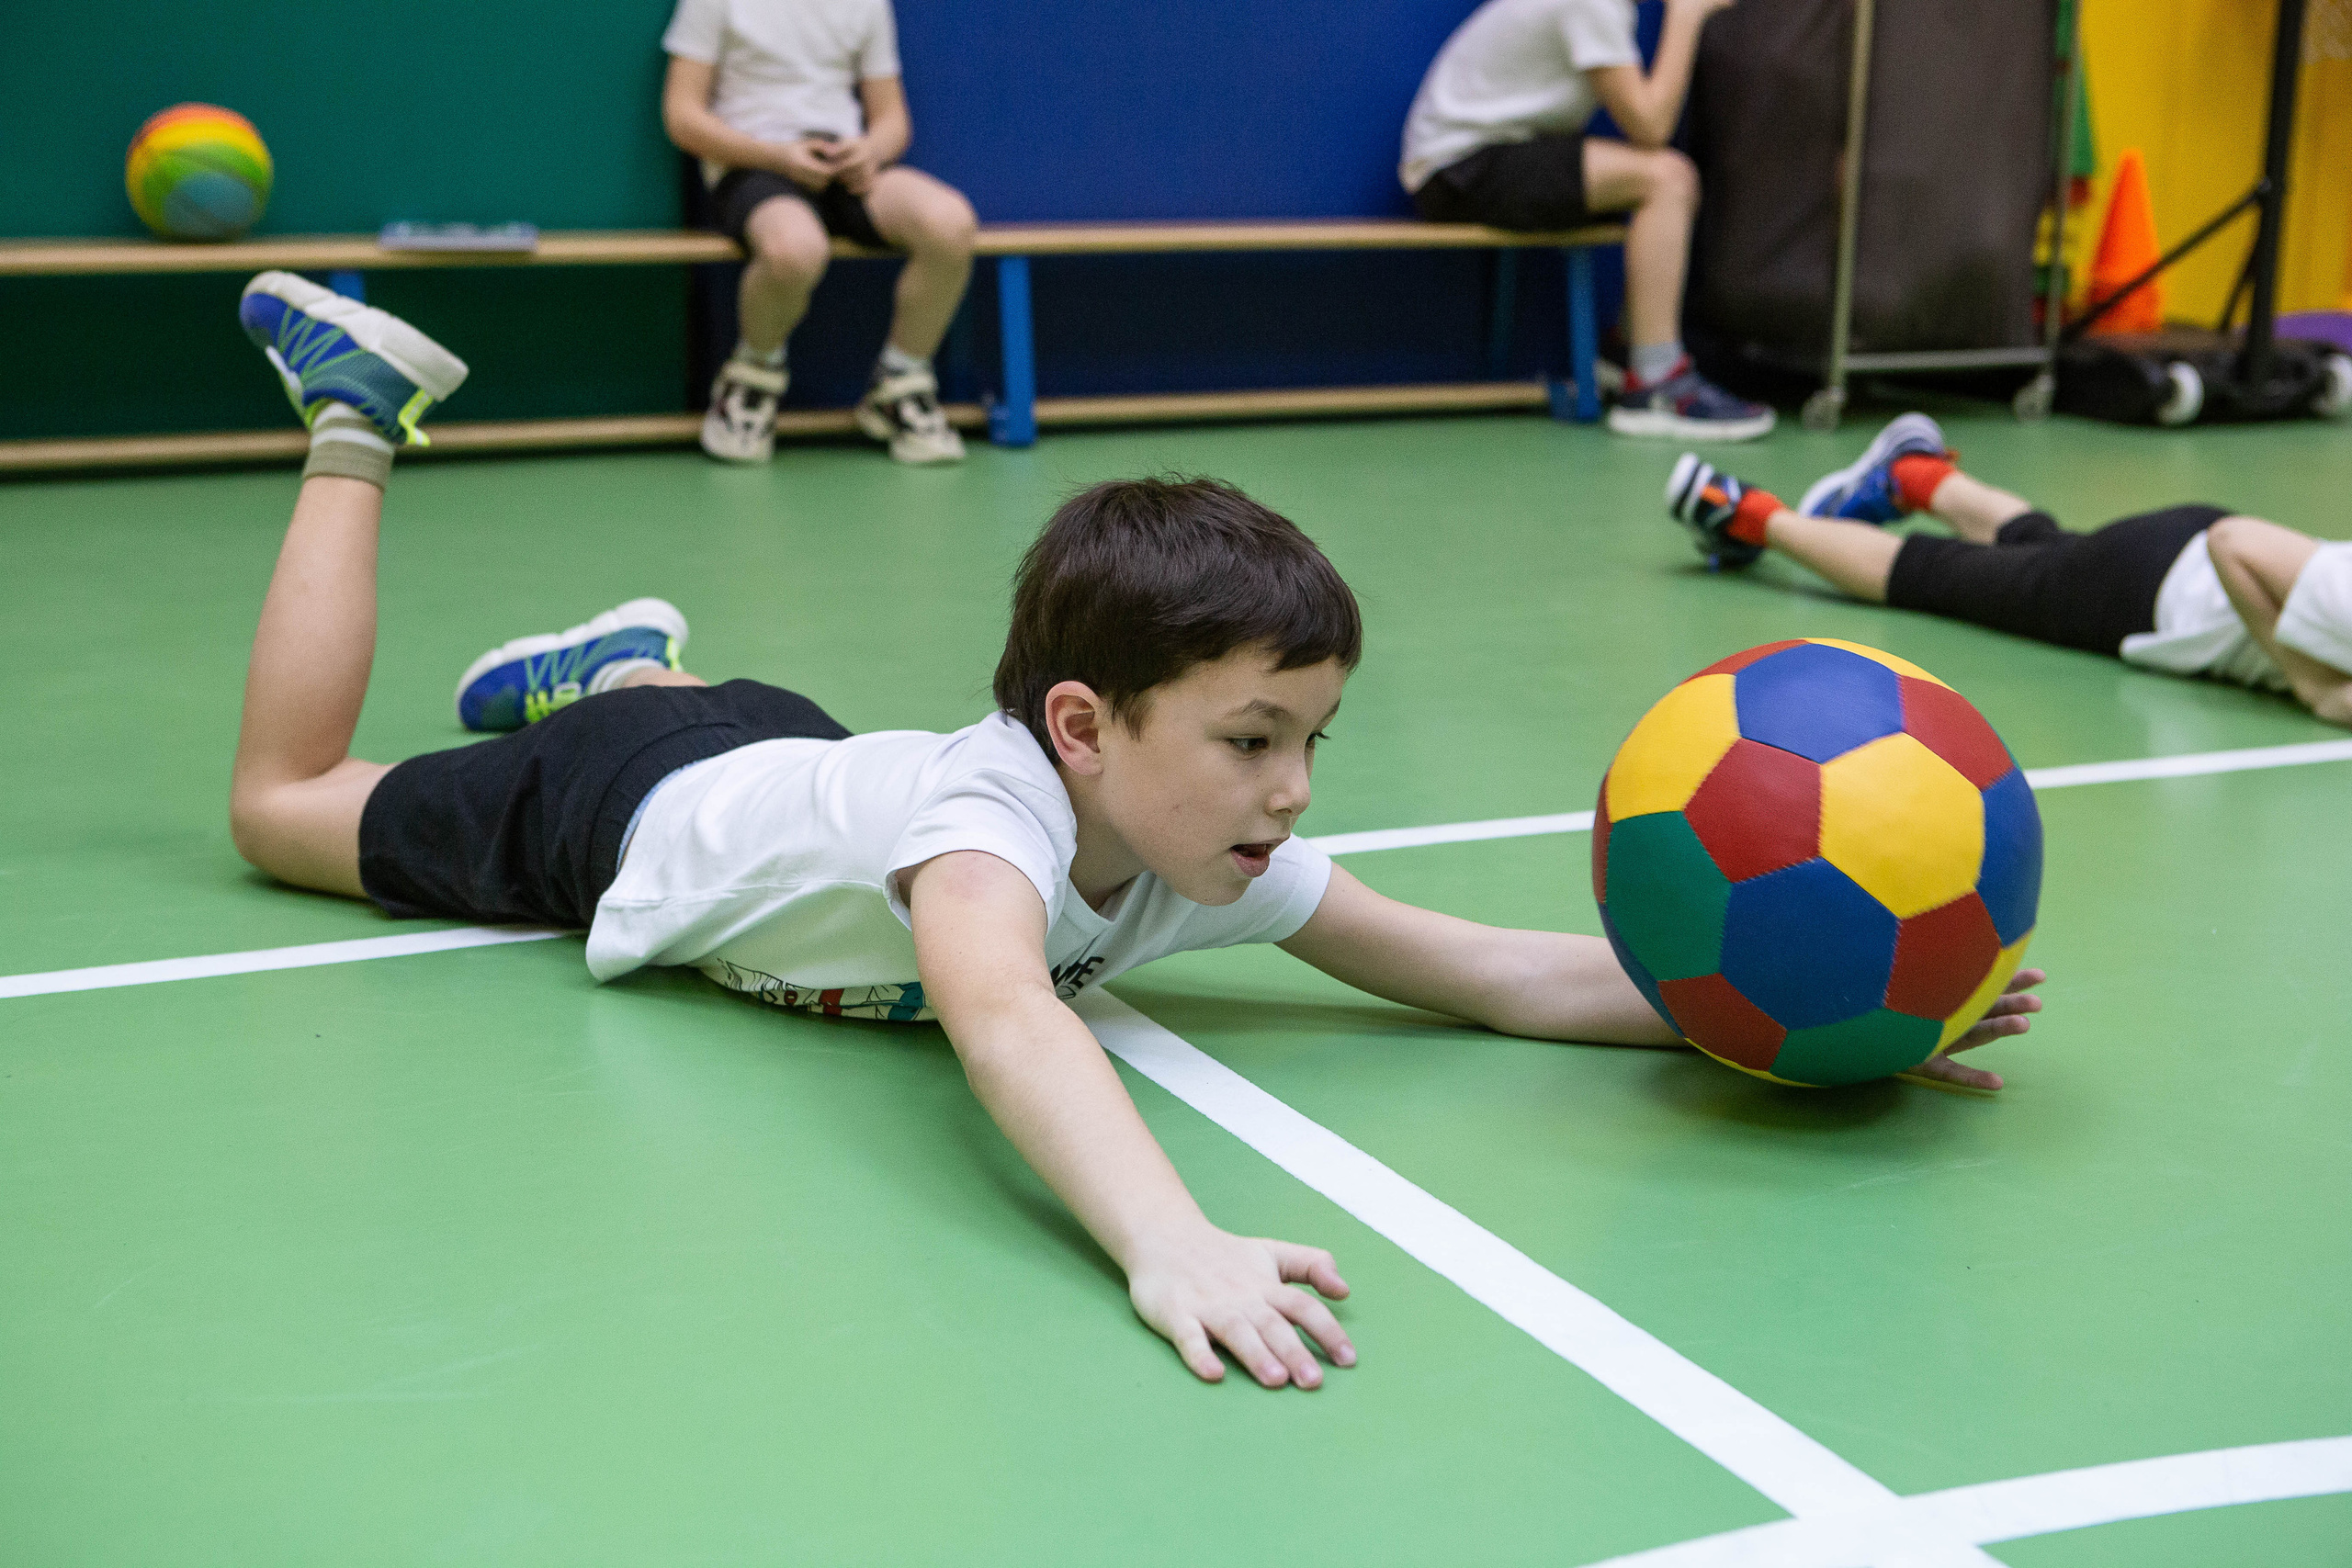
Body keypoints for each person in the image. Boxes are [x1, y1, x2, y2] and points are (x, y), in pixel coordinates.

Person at [227, 276, 2044, 1390]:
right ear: (1085, 731)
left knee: (745, 736)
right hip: (614, 817)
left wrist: (1801, 1017)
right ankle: (354, 421)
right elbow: (1004, 1015)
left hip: (790, 754)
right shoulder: (988, 840)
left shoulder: (1185, 843)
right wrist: (1166, 1238)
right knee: (277, 805)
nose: (1293, 790)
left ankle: (637, 666)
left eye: (1311, 738)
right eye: (1253, 738)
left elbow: (1490, 969)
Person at [1665, 413, 2352, 726]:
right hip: (2155, 589)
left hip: (2154, 566)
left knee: (2042, 548)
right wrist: (2311, 685)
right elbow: (2237, 544)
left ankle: (1919, 476)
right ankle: (1749, 514)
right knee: (1943, 579)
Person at [1399, 0, 1770, 442]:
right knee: (1667, 179)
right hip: (1461, 169)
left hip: (1482, 158)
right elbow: (1651, 126)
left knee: (1664, 178)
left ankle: (1628, 352)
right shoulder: (1592, 3)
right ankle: (1655, 383)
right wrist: (1686, 14)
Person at [659, 0, 977, 466]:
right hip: (751, 165)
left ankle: (899, 383)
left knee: (950, 221)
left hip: (844, 165)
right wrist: (775, 156)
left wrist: (871, 150)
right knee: (795, 248)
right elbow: (682, 115)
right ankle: (751, 379)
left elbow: (891, 118)